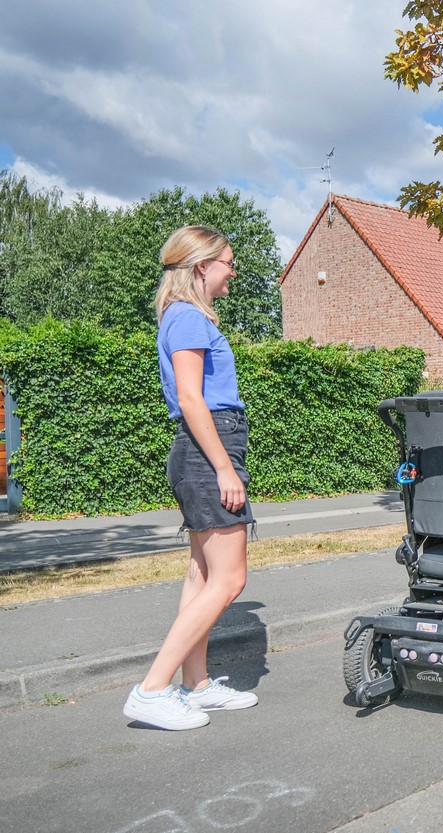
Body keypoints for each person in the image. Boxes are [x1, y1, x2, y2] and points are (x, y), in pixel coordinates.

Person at [123, 226, 259, 731]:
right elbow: (190, 398)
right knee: (230, 578)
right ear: (202, 265)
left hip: (205, 448)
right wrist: (225, 466)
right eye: (228, 262)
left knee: (202, 575)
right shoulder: (186, 318)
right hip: (209, 450)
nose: (232, 272)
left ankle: (195, 685)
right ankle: (151, 689)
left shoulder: (187, 317)